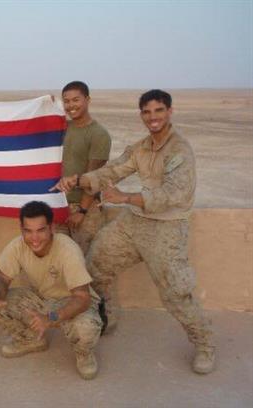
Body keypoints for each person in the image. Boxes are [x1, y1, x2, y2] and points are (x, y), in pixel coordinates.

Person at [52, 89, 215, 374]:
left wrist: (125, 198)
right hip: (134, 221)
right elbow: (113, 170)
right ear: (141, 115)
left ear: (170, 112)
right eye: (147, 112)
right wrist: (78, 179)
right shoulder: (141, 147)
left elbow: (172, 195)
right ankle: (105, 316)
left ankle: (204, 345)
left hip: (167, 227)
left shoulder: (180, 150)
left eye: (159, 110)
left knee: (176, 293)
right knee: (95, 265)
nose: (153, 117)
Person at [0, 201, 102, 380]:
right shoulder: (17, 245)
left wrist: (50, 318)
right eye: (28, 231)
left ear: (52, 228)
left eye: (41, 230)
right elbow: (2, 278)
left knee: (86, 327)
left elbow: (82, 298)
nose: (35, 238)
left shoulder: (68, 249)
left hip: (72, 302)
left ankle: (84, 354)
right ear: (21, 230)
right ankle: (31, 340)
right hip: (43, 299)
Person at [58, 81, 111, 254]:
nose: (71, 105)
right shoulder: (65, 128)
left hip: (85, 209)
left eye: (76, 100)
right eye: (66, 101)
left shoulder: (99, 134)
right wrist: (45, 105)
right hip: (60, 206)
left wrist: (82, 211)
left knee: (85, 259)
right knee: (62, 259)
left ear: (87, 100)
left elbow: (94, 176)